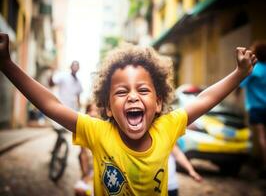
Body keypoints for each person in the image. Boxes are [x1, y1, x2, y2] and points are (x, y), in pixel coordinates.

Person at [0, 32, 257, 195]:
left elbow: (206, 98)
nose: (133, 96)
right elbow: (51, 105)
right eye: (122, 92)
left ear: (157, 103)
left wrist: (239, 74)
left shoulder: (166, 127)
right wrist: (7, 65)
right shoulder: (98, 132)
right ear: (108, 108)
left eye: (142, 90)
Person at [239, 41, 266, 178]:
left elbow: (240, 83)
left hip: (256, 107)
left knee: (260, 137)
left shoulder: (254, 69)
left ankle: (263, 165)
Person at [74, 101, 99, 196]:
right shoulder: (84, 133)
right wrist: (86, 176)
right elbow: (83, 155)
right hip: (89, 173)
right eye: (90, 110)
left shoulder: (105, 133)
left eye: (96, 111)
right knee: (80, 190)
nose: (93, 113)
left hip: (102, 174)